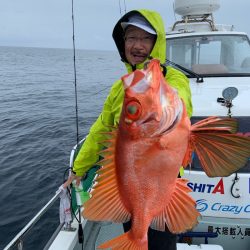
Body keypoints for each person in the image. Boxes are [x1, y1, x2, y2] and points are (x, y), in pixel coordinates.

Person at [71, 9, 192, 250]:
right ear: (122, 44)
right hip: (129, 183)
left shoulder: (174, 80)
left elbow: (183, 105)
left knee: (162, 245)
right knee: (135, 231)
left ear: (157, 42)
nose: (137, 45)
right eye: (130, 38)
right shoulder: (121, 89)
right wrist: (79, 168)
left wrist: (154, 88)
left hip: (162, 183)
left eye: (145, 38)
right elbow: (101, 130)